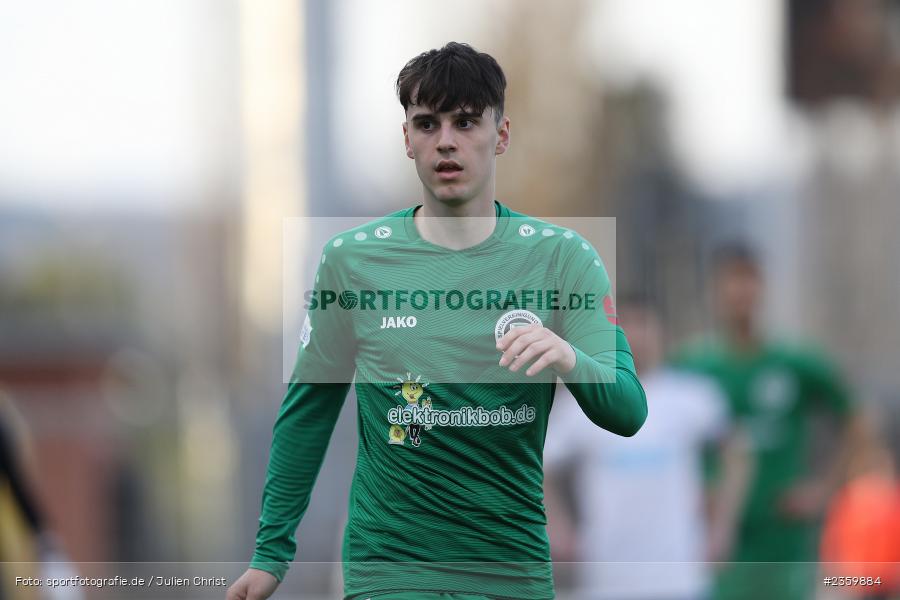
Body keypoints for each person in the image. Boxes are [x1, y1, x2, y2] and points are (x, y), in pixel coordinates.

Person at [227, 42, 647, 600]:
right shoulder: (352, 261)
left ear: (501, 135)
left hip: (509, 574)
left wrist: (568, 357)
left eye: (466, 121)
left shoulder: (563, 259)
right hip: (389, 573)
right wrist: (270, 553)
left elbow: (629, 410)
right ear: (408, 140)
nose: (446, 140)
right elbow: (307, 413)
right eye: (427, 123)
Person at [674, 243, 869, 600]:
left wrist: (824, 488)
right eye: (730, 280)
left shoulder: (795, 361)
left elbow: (856, 420)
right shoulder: (693, 367)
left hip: (782, 530)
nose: (740, 291)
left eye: (748, 278)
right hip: (717, 536)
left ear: (763, 287)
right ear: (713, 291)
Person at [544, 295, 751, 600]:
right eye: (623, 327)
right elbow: (540, 464)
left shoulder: (693, 396)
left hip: (679, 577)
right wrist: (558, 526)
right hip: (606, 578)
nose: (634, 337)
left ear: (661, 332)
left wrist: (723, 527)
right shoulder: (583, 401)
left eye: (643, 324)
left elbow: (738, 454)